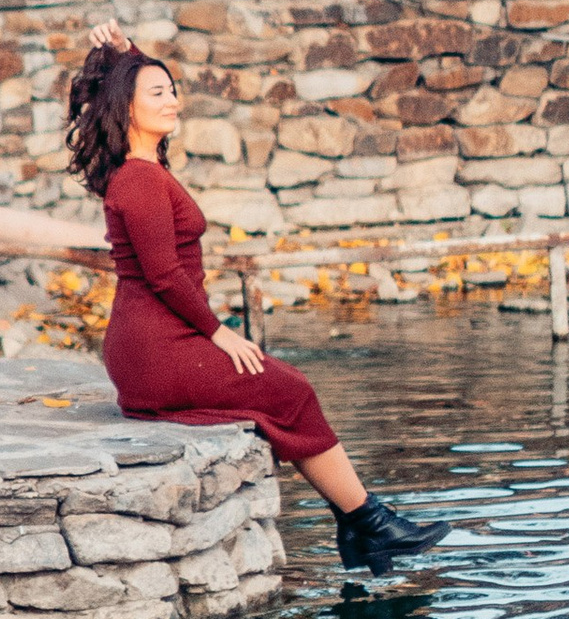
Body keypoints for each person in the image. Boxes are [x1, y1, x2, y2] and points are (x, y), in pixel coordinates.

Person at [66, 30, 446, 579]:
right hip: (157, 348)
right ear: (126, 106)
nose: (173, 100)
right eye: (158, 93)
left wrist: (128, 53)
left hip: (156, 342)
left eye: (173, 90)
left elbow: (131, 84)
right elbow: (165, 276)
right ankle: (366, 521)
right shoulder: (140, 180)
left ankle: (361, 523)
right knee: (289, 390)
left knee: (283, 388)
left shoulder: (141, 170)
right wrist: (218, 332)